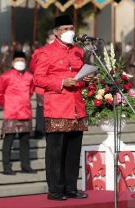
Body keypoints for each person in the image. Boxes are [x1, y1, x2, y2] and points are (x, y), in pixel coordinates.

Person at [33, 15, 92, 200]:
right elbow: (38, 79)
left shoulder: (78, 52)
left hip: (76, 106)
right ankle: (56, 190)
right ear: (56, 32)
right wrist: (61, 81)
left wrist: (86, 80)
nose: (70, 32)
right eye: (66, 29)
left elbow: (79, 77)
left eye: (71, 28)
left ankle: (71, 187)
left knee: (74, 150)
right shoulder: (45, 52)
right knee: (56, 151)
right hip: (57, 106)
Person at [0, 51, 36, 175]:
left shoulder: (30, 77)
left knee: (25, 142)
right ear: (12, 62)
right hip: (11, 114)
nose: (20, 63)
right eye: (17, 60)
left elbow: (31, 91)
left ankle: (26, 166)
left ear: (26, 62)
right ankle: (6, 167)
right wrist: (6, 104)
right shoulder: (5, 76)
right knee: (8, 141)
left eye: (22, 60)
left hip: (25, 112)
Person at [29, 30, 55, 139]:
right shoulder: (39, 52)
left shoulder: (60, 52)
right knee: (41, 109)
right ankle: (39, 130)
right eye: (51, 38)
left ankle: (52, 130)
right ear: (47, 39)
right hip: (42, 86)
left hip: (55, 85)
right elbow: (32, 67)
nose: (53, 41)